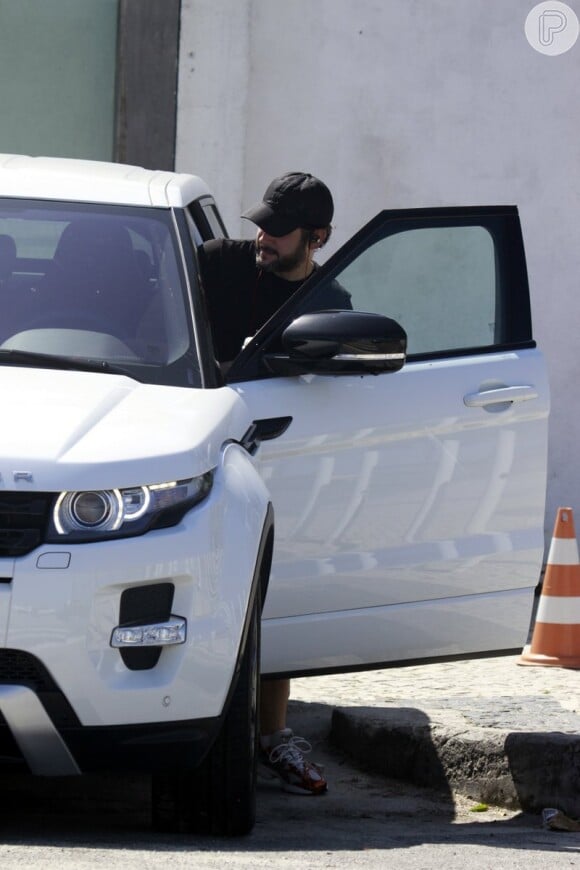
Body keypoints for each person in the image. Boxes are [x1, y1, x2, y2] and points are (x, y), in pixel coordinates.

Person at [198, 171, 348, 795]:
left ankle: (272, 736)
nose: (262, 236)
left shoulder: (330, 304)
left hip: (275, 459)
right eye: (260, 222)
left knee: (266, 596)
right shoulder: (219, 263)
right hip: (190, 443)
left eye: (279, 230)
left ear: (317, 237)